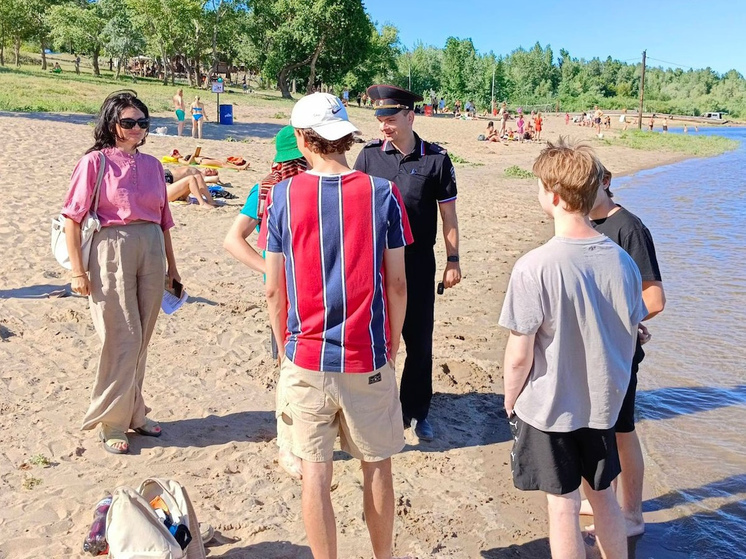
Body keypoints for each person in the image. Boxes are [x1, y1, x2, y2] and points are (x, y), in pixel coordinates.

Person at [259, 92, 411, 559]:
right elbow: (398, 283)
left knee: (314, 474)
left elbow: (273, 289)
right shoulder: (383, 194)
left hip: (306, 356)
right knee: (377, 466)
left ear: (304, 139)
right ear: (344, 137)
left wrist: (287, 345)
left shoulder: (283, 195)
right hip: (367, 354)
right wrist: (389, 346)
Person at [499, 139, 646, 559]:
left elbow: (520, 353)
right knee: (604, 499)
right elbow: (633, 326)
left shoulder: (534, 265)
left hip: (551, 410)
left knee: (562, 507)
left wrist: (511, 398)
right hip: (604, 407)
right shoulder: (622, 260)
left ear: (554, 196)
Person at [61, 91, 179, 455]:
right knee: (121, 335)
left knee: (141, 337)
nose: (137, 129)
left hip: (152, 248)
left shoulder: (155, 166)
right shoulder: (95, 163)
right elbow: (72, 218)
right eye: (128, 122)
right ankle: (112, 420)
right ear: (112, 124)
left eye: (143, 123)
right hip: (111, 249)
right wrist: (78, 272)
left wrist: (173, 269)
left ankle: (135, 412)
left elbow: (164, 222)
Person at [354, 85, 461, 442]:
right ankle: (379, 407)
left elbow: (449, 216)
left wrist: (453, 260)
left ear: (410, 116)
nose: (384, 125)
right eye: (380, 118)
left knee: (419, 340)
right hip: (375, 263)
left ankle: (416, 411)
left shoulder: (436, 160)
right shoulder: (368, 158)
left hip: (417, 263)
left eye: (391, 118)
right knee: (376, 337)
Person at [578, 165, 666, 537]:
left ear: (606, 183)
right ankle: (604, 498)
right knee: (596, 427)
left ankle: (632, 512)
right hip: (588, 349)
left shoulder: (629, 228)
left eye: (588, 185)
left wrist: (624, 320)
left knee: (623, 430)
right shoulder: (582, 225)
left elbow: (654, 298)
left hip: (618, 352)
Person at [223, 125, 307, 478]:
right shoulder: (274, 191)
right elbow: (232, 239)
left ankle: (297, 440)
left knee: (294, 366)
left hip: (296, 293)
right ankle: (288, 445)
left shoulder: (268, 188)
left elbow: (233, 240)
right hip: (293, 295)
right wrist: (273, 272)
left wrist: (270, 271)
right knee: (292, 367)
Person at [170, 148, 250, 170]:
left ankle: (239, 167)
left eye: (176, 151)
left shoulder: (183, 156)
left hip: (204, 159)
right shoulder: (179, 160)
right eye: (174, 153)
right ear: (173, 156)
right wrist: (193, 156)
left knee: (223, 163)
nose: (177, 153)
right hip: (202, 161)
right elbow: (188, 164)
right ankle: (239, 168)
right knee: (222, 165)